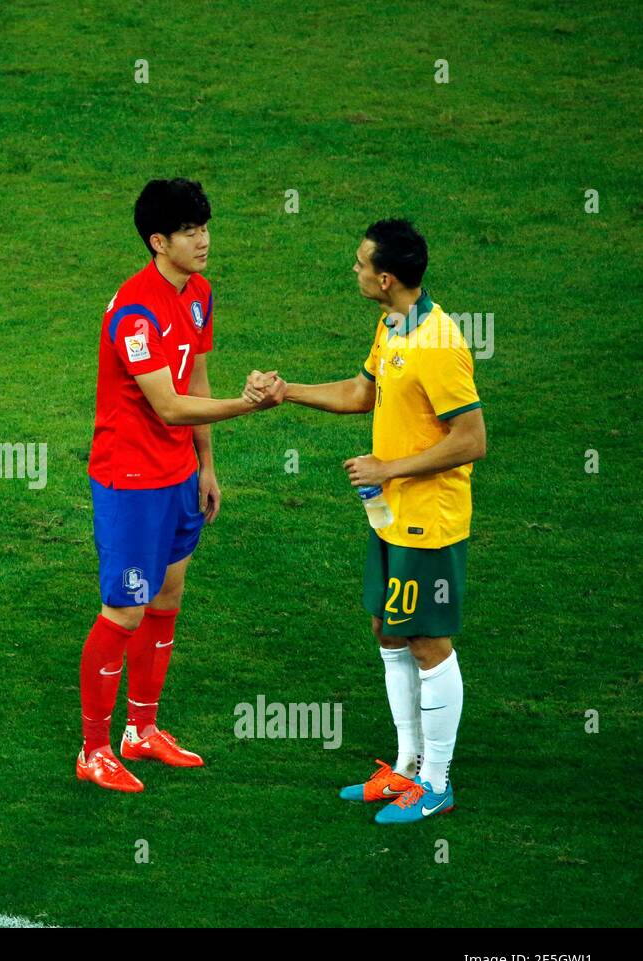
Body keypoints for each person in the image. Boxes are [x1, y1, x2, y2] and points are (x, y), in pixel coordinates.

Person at [246, 219, 485, 823]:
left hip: (427, 520)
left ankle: (437, 782)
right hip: (387, 513)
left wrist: (390, 466)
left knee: (430, 643)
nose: (352, 271)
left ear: (386, 277)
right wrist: (287, 392)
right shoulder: (393, 324)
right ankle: (405, 768)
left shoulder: (439, 342)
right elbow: (363, 392)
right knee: (387, 630)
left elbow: (472, 439)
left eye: (359, 264)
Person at [78, 178, 285, 793]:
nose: (204, 241)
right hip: (131, 481)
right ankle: (93, 749)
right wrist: (249, 407)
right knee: (125, 609)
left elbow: (195, 374)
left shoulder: (197, 295)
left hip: (178, 477)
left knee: (167, 596)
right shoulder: (135, 313)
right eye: (191, 232)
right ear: (157, 241)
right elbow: (168, 406)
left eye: (205, 227)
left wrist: (208, 466)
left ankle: (141, 731)